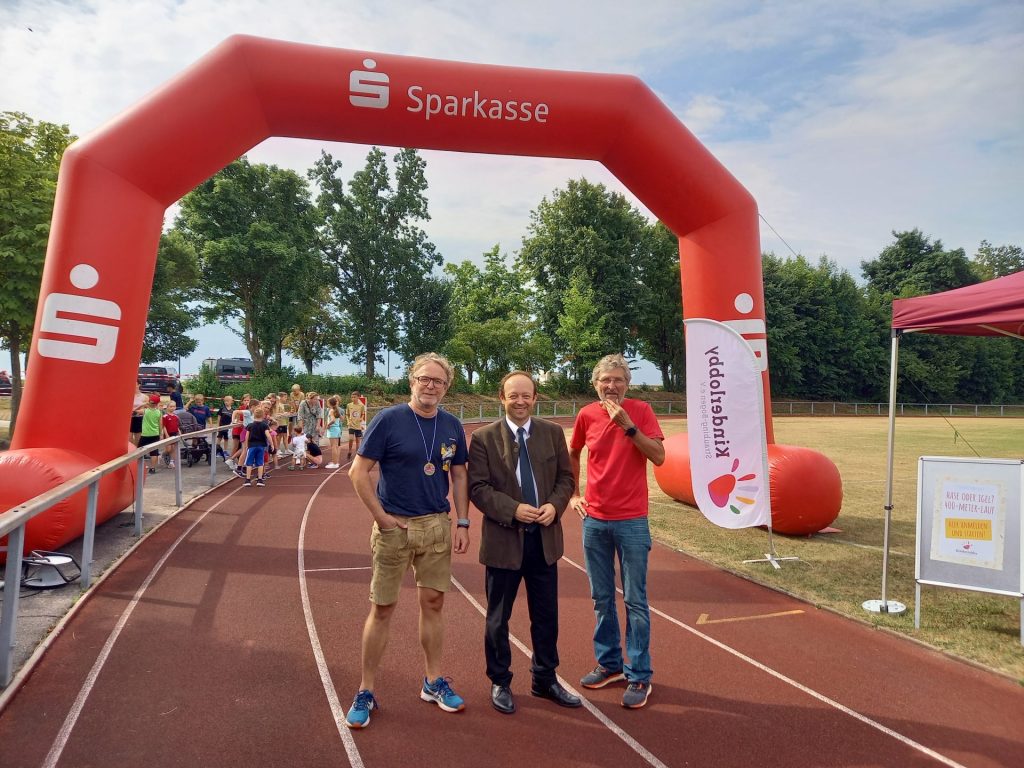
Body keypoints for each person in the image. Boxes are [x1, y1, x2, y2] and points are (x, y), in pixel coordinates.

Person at [344, 353, 470, 729]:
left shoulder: (451, 425)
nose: (431, 386)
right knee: (382, 608)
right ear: (411, 381)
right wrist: (381, 519)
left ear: (447, 386)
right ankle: (365, 690)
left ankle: (433, 682)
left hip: (435, 527)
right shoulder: (389, 420)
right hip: (394, 527)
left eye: (439, 381)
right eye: (424, 379)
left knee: (433, 604)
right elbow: (358, 471)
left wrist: (462, 521)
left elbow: (460, 474)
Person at [468, 371, 579, 715]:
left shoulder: (552, 433)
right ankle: (500, 680)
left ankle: (544, 677)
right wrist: (513, 509)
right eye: (513, 396)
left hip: (544, 541)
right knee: (498, 618)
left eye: (526, 396)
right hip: (504, 540)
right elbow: (478, 488)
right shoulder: (484, 438)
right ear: (501, 398)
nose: (520, 401)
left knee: (546, 616)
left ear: (535, 398)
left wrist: (555, 506)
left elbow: (566, 478)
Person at [569, 354, 665, 710]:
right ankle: (609, 664)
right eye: (605, 380)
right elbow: (574, 451)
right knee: (601, 597)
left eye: (618, 380)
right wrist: (575, 493)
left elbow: (659, 456)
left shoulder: (640, 411)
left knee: (635, 600)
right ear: (595, 383)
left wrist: (628, 425)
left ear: (627, 383)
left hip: (632, 520)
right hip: (595, 520)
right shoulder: (586, 415)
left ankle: (639, 674)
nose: (612, 386)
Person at [241, 406, 271, 487]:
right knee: (260, 463)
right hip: (261, 446)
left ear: (254, 415)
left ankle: (247, 480)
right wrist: (271, 444)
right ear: (263, 415)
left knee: (249, 463)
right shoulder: (264, 425)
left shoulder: (250, 425)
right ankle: (260, 480)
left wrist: (247, 445)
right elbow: (268, 435)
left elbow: (247, 436)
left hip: (252, 446)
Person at [138, 394, 164, 474]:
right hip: (155, 434)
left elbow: (134, 410)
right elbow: (160, 424)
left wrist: (143, 404)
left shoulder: (145, 411)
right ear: (157, 404)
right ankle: (152, 468)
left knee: (139, 450)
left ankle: (139, 466)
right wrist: (161, 434)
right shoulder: (159, 412)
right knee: (154, 452)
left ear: (149, 402)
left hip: (145, 434)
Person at [346, 391, 366, 461]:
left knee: (358, 441)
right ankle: (349, 451)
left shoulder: (361, 406)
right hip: (351, 425)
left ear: (358, 397)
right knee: (351, 438)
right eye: (352, 397)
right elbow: (347, 414)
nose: (353, 398)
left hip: (358, 426)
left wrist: (361, 418)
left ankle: (357, 454)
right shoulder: (349, 405)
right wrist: (348, 421)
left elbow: (363, 413)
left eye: (354, 397)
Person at [325, 396, 343, 469]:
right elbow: (342, 419)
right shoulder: (336, 410)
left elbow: (332, 420)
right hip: (337, 429)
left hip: (333, 430)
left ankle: (335, 463)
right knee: (335, 446)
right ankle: (335, 461)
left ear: (330, 403)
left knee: (333, 447)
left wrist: (328, 425)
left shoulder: (331, 410)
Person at [161, 401, 181, 468]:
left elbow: (177, 425)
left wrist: (179, 431)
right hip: (168, 433)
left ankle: (171, 462)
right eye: (171, 406)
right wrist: (166, 435)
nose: (172, 408)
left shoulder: (176, 416)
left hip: (174, 433)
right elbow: (164, 426)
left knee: (173, 448)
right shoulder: (165, 416)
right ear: (167, 407)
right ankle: (162, 455)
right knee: (168, 449)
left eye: (174, 406)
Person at [130, 381, 147, 445]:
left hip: (139, 418)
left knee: (138, 440)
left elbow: (146, 409)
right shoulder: (128, 395)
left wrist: (137, 411)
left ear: (139, 385)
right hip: (129, 419)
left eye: (135, 384)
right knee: (129, 440)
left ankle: (138, 453)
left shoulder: (144, 396)